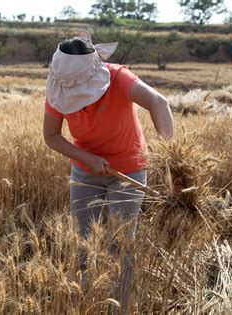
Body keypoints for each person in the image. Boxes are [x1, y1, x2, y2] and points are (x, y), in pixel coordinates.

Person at [42, 31, 174, 312]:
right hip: (84, 172)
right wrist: (86, 158)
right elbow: (51, 135)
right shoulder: (58, 87)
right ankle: (84, 304)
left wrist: (172, 157)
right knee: (83, 243)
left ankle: (120, 309)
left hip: (128, 169)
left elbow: (158, 102)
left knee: (120, 246)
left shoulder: (118, 78)